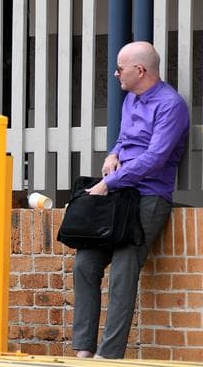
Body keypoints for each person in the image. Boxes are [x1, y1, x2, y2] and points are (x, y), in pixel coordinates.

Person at [73, 41, 188, 359]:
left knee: (124, 269)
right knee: (85, 263)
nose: (114, 73)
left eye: (120, 68)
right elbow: (126, 138)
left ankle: (108, 356)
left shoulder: (171, 105)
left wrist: (108, 182)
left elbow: (155, 158)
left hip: (149, 197)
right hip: (119, 194)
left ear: (140, 70)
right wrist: (113, 153)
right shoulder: (130, 100)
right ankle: (83, 350)